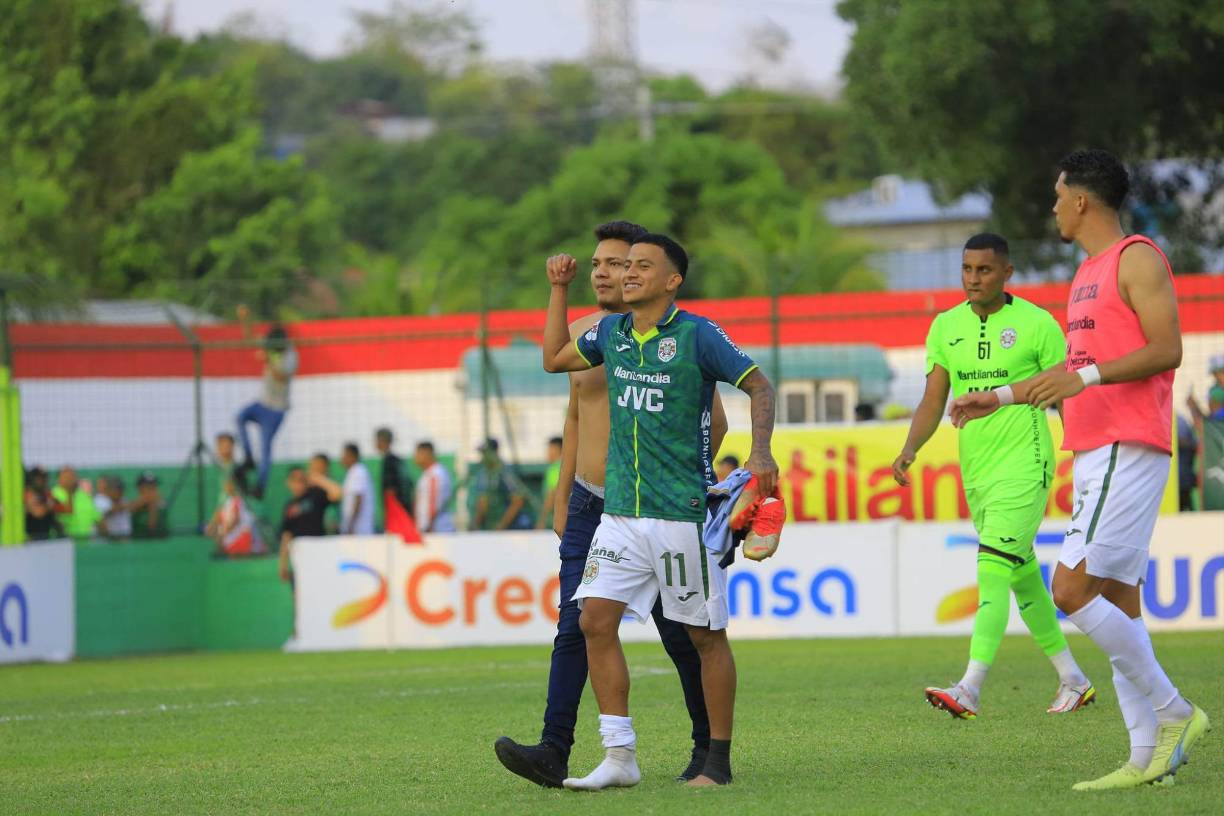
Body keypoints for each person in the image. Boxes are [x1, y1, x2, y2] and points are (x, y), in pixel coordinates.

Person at [951, 150, 1209, 790]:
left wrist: (1085, 375)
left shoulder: (1137, 257)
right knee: (1121, 602)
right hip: (1096, 446)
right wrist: (1001, 396)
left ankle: (1177, 711)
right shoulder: (1087, 272)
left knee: (1070, 592)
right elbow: (1070, 372)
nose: (1054, 207)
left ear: (1082, 201)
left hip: (1127, 441)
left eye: (1058, 196)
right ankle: (1149, 758)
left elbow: (1167, 349)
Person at [495, 221, 731, 789]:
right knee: (577, 626)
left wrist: (678, 483)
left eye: (618, 264)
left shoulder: (668, 339)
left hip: (655, 504)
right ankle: (555, 750)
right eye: (599, 263)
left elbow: (713, 422)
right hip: (588, 503)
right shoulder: (586, 333)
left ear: (642, 273)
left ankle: (707, 750)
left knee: (681, 632)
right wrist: (563, 494)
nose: (605, 272)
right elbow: (574, 418)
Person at [540, 232, 778, 790]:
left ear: (672, 280)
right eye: (626, 267)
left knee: (703, 637)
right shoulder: (610, 333)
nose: (627, 274)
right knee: (592, 621)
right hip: (621, 514)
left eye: (642, 267)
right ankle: (619, 757)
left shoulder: (698, 335)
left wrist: (761, 451)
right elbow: (553, 359)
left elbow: (759, 386)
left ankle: (715, 761)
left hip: (682, 515)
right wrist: (558, 290)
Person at [892, 232, 1093, 720]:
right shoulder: (946, 326)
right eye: (966, 269)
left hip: (1025, 464)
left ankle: (970, 687)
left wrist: (1082, 456)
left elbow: (1064, 393)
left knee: (991, 571)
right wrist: (909, 448)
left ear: (1007, 273)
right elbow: (933, 398)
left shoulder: (1038, 324)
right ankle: (1074, 679)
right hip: (977, 470)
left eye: (984, 270)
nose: (973, 279)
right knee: (1023, 579)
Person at [235, 304, 298, 498]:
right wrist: (244, 319)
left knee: (265, 447)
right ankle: (247, 458)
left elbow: (282, 377)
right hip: (262, 403)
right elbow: (248, 338)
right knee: (240, 417)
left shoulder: (290, 355)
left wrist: (268, 360)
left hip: (276, 410)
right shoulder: (270, 346)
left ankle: (260, 485)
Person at [470, 438, 531, 531]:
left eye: (485, 453)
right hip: (488, 527)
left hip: (507, 529)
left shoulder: (505, 472)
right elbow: (482, 501)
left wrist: (501, 526)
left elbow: (517, 500)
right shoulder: (484, 472)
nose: (483, 457)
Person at [206, 478, 264, 557]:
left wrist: (224, 532)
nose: (226, 488)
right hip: (232, 530)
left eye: (229, 485)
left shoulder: (238, 500)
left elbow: (236, 521)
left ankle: (225, 550)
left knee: (222, 534)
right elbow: (219, 516)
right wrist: (212, 525)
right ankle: (222, 549)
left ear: (234, 486)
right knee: (216, 530)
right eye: (225, 486)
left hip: (241, 531)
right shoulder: (227, 501)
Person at [413, 441, 455, 533]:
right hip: (430, 528)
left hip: (436, 529)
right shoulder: (428, 474)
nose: (415, 457)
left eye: (417, 453)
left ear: (426, 453)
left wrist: (428, 526)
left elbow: (434, 503)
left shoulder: (435, 474)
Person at [375, 427, 412, 527]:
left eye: (377, 440)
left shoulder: (389, 461)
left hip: (396, 511)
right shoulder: (397, 460)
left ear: (383, 441)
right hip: (402, 510)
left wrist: (389, 515)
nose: (375, 444)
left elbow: (390, 491)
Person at [51, 466, 99, 539]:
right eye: (67, 477)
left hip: (85, 542)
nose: (71, 480)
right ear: (59, 479)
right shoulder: (53, 495)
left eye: (73, 477)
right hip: (62, 543)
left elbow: (98, 518)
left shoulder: (84, 496)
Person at [24, 467, 63, 541]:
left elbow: (61, 508)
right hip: (28, 539)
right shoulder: (26, 494)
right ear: (32, 480)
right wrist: (48, 506)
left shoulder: (46, 494)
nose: (43, 481)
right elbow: (38, 512)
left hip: (44, 538)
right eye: (39, 479)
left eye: (44, 478)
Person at [129, 471, 168, 539]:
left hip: (157, 539)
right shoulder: (134, 503)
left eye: (154, 485)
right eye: (149, 486)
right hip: (139, 540)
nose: (153, 489)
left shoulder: (160, 501)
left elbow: (152, 525)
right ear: (140, 488)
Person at [536, 436, 564, 529]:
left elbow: (552, 494)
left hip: (555, 520)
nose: (547, 452)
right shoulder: (563, 465)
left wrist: (542, 521)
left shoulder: (555, 468)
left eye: (550, 449)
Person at [95, 475, 132, 540]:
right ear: (108, 490)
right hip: (108, 542)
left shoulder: (124, 500)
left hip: (124, 539)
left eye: (119, 489)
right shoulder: (101, 500)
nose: (118, 492)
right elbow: (101, 518)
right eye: (115, 489)